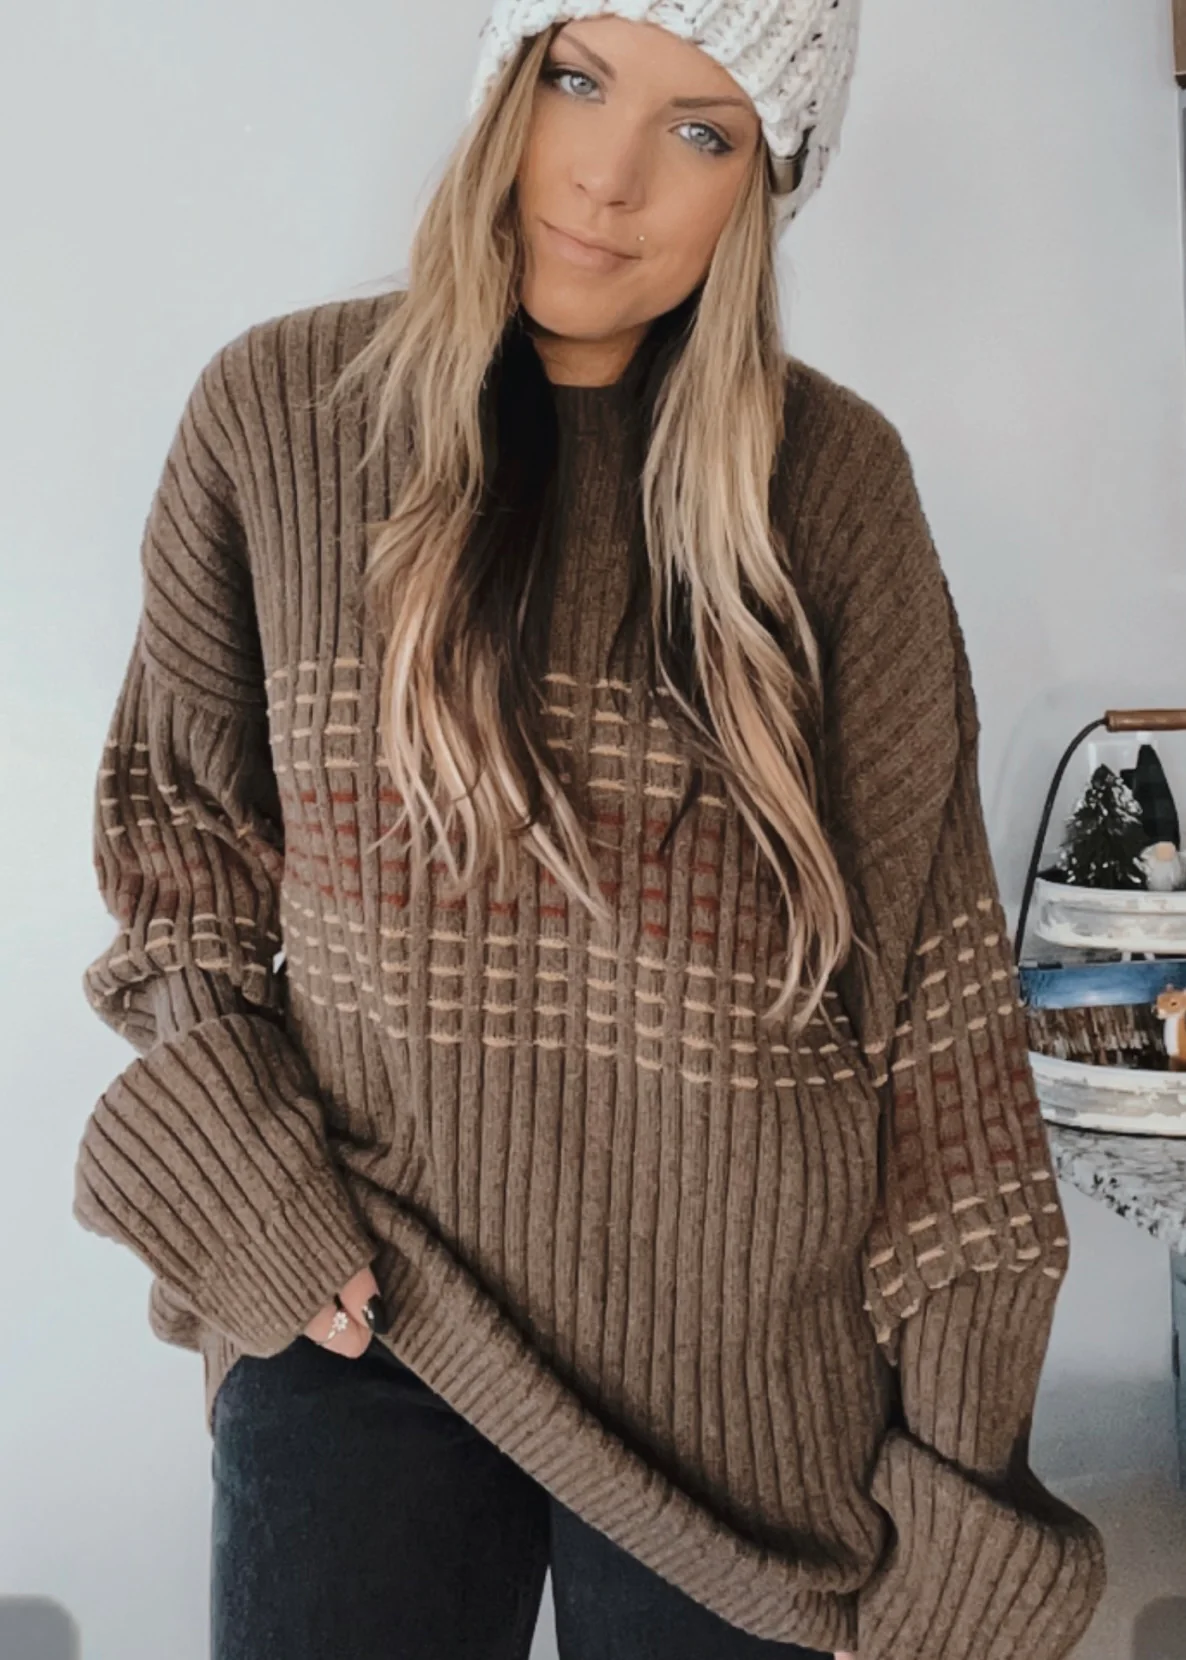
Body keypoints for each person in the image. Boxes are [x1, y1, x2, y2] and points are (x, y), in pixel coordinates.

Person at [71, 2, 1107, 1657]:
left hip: (747, 1390)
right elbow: (180, 857)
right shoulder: (283, 416)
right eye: (578, 79)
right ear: (509, 83)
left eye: (700, 130)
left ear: (761, 186)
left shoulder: (831, 487)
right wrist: (249, 1172)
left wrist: (958, 1470)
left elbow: (935, 1009)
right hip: (369, 1306)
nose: (609, 176)